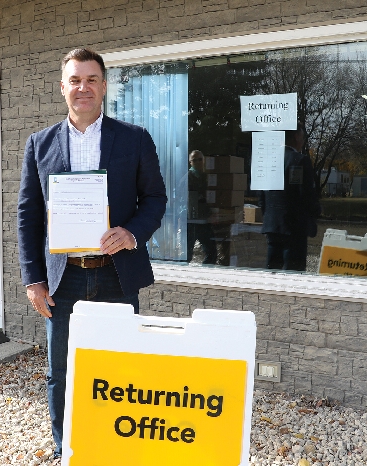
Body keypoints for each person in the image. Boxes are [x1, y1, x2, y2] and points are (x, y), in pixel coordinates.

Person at [17, 48, 167, 459]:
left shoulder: (134, 138)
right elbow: (28, 215)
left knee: (121, 367)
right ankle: (66, 449)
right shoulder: (39, 144)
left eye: (92, 79)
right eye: (75, 80)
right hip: (63, 279)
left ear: (104, 86)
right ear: (63, 87)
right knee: (61, 371)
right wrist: (33, 278)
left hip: (117, 274)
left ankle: (115, 446)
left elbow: (155, 198)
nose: (83, 87)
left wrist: (132, 232)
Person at [260, 122, 320, 271]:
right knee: (293, 277)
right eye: (302, 136)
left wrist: (267, 216)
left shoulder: (268, 161)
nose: (303, 140)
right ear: (296, 137)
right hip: (294, 229)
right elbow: (306, 195)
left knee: (272, 273)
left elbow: (261, 195)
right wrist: (316, 211)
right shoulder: (300, 160)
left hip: (272, 226)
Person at [186, 150, 217, 264]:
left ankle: (204, 275)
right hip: (191, 221)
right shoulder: (187, 178)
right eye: (195, 160)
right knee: (187, 254)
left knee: (212, 252)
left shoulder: (205, 177)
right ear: (190, 162)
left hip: (203, 220)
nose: (198, 162)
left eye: (200, 159)